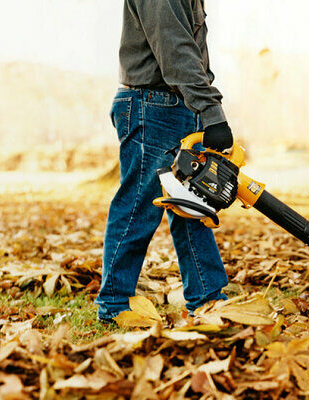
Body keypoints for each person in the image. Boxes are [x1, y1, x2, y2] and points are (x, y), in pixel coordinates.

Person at [95, 0, 233, 321]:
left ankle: (208, 299)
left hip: (175, 104)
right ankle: (114, 305)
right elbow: (175, 50)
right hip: (152, 105)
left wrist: (199, 109)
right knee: (137, 209)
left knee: (191, 206)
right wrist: (212, 113)